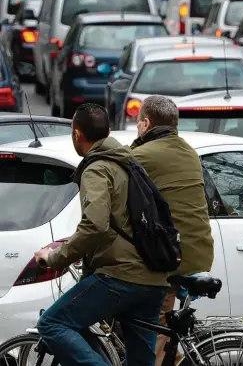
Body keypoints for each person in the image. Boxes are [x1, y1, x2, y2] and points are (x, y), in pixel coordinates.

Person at [35, 103, 167, 366]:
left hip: (121, 276)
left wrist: (55, 257)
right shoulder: (129, 162)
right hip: (153, 276)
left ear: (76, 134)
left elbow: (95, 225)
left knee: (52, 324)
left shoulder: (97, 169)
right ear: (108, 131)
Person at [131, 95, 214, 366]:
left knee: (151, 325)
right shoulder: (189, 151)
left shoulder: (141, 155)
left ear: (145, 123)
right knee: (165, 330)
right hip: (198, 254)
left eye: (137, 124)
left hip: (171, 259)